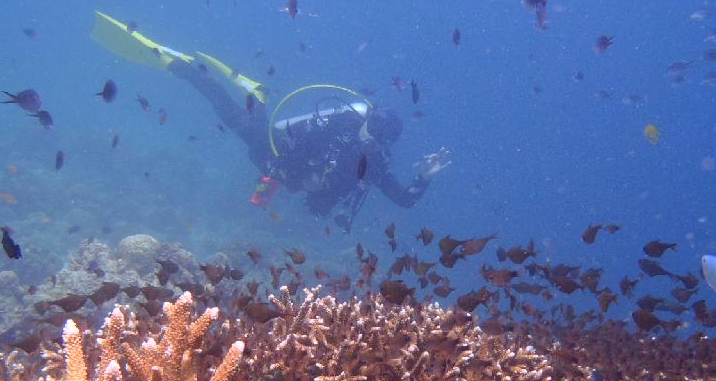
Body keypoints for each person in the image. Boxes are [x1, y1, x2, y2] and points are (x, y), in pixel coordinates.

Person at [92, 12, 450, 231]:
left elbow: (404, 200)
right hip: (271, 151)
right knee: (228, 112)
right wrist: (284, 173)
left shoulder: (376, 165)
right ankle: (180, 65)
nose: (370, 140)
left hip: (282, 173)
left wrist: (424, 178)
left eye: (379, 139)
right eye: (372, 130)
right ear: (367, 119)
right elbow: (292, 144)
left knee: (246, 118)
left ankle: (257, 94)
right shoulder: (339, 124)